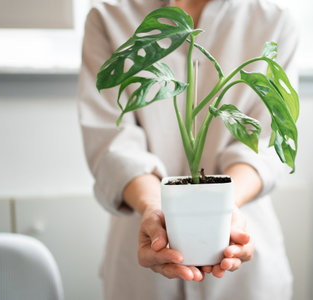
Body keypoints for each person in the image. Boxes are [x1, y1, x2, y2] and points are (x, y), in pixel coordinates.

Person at [78, 0, 298, 299]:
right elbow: (111, 144)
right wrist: (155, 209)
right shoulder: (108, 15)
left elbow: (267, 142)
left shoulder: (272, 20)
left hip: (241, 264)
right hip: (144, 263)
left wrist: (225, 209)